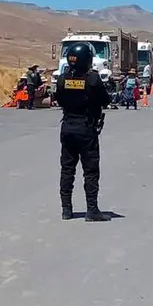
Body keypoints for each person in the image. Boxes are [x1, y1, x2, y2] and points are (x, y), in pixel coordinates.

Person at [54, 42, 111, 222]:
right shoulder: (92, 79)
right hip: (86, 128)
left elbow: (59, 99)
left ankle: (66, 210)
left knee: (67, 169)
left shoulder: (63, 79)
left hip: (68, 127)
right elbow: (105, 100)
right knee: (90, 171)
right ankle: (92, 210)